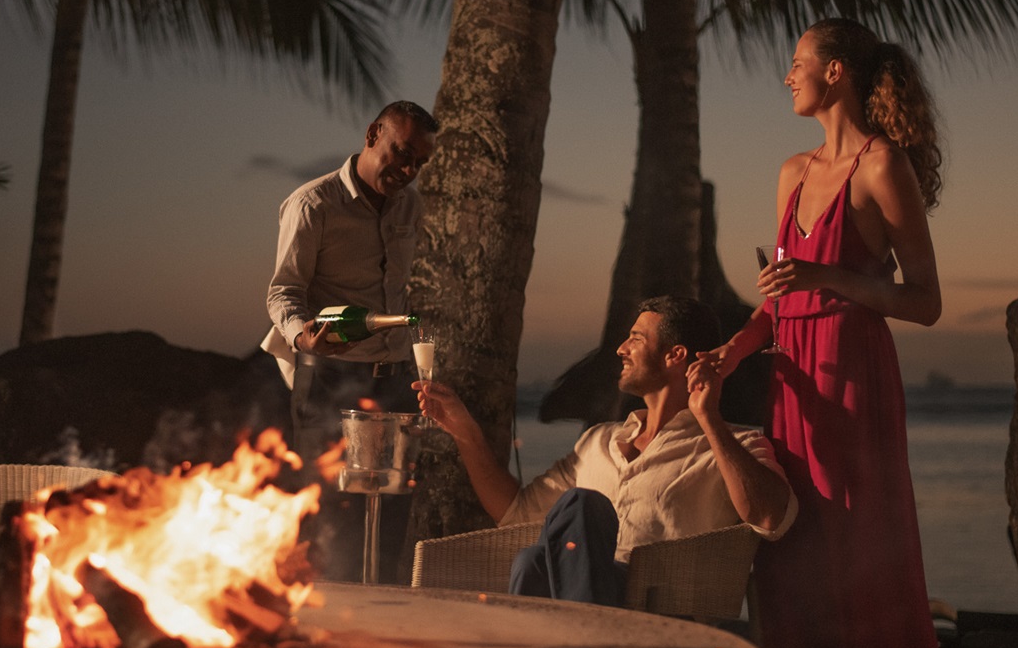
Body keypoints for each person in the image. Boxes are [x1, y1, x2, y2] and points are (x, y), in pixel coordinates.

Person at [704, 17, 955, 648]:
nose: (788, 75)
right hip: (794, 381)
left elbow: (925, 301)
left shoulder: (882, 167)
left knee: (867, 557)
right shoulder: (792, 171)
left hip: (855, 382)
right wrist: (731, 353)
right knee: (795, 557)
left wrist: (829, 280)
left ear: (837, 71)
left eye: (798, 62)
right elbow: (780, 298)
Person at [415, 296, 796, 606]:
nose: (620, 349)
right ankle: (583, 645)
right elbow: (514, 514)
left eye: (636, 338)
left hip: (661, 612)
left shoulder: (733, 444)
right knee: (533, 559)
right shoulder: (599, 441)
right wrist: (465, 432)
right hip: (581, 604)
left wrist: (709, 419)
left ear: (674, 355)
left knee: (581, 508)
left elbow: (772, 518)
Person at [262, 100, 439, 454]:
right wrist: (301, 337)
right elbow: (284, 290)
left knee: (396, 486)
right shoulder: (313, 204)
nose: (409, 170)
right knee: (328, 487)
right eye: (403, 154)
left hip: (397, 381)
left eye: (419, 163)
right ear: (373, 134)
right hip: (330, 379)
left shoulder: (411, 206)